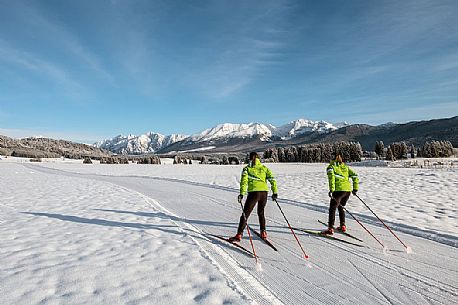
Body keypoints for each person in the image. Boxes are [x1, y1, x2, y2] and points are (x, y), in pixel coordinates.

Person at [228, 152, 278, 242]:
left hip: (254, 193)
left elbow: (244, 182)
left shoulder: (247, 169)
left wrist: (241, 194)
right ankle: (263, 232)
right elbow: (272, 180)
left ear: (249, 158)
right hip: (264, 193)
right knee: (261, 213)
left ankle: (239, 234)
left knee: (245, 214)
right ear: (258, 158)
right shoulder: (264, 168)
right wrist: (275, 192)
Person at [322, 152, 359, 235]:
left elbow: (331, 179)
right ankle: (343, 226)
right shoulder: (345, 167)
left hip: (338, 191)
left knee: (332, 208)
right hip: (347, 191)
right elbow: (355, 176)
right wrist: (355, 188)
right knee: (341, 207)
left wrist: (331, 190)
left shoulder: (331, 167)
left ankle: (330, 228)